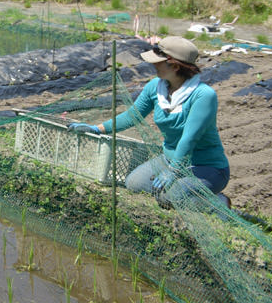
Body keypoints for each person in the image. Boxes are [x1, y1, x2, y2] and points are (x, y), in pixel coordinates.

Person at [69, 36, 230, 207]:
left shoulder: (203, 95)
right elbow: (132, 116)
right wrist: (98, 129)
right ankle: (187, 191)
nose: (153, 65)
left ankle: (219, 202)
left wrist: (174, 171)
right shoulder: (156, 87)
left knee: (169, 197)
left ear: (175, 66)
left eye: (158, 62)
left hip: (206, 166)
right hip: (169, 159)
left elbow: (190, 138)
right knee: (134, 184)